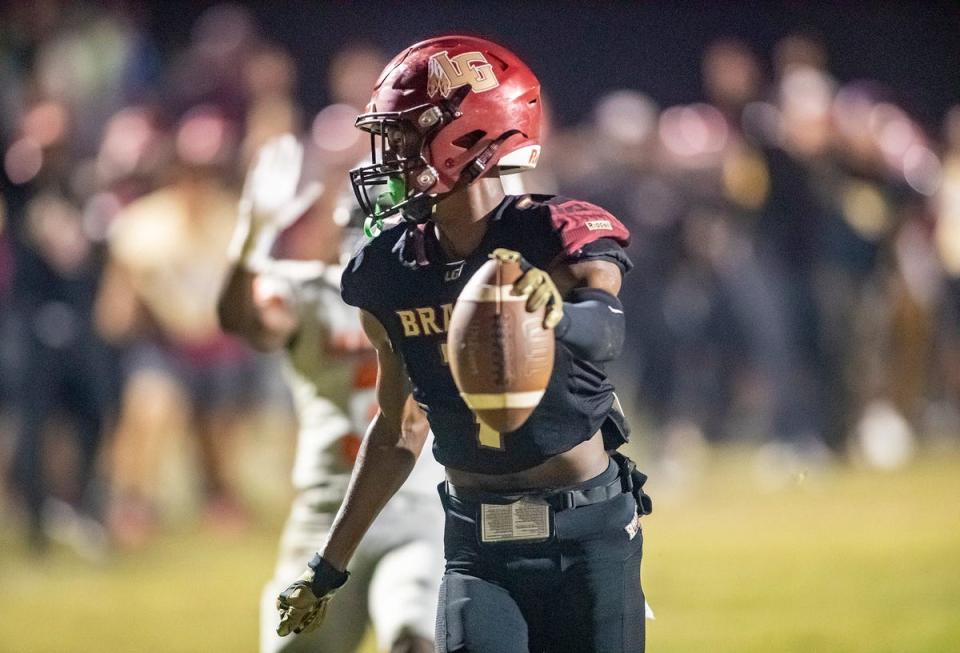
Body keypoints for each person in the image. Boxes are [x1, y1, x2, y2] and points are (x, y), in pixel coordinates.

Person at [275, 36, 653, 653]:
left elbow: (605, 329)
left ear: (468, 138)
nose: (390, 156)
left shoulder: (553, 232)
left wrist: (551, 316)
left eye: (402, 136)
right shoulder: (387, 270)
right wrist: (327, 568)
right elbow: (399, 428)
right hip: (476, 545)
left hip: (588, 536)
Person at [218, 134, 444, 653]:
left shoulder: (447, 298)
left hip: (419, 512)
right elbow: (244, 321)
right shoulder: (312, 291)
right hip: (327, 509)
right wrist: (251, 243)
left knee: (415, 638)